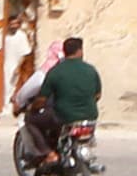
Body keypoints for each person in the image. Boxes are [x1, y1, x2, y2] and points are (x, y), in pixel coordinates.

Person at [26, 37, 101, 166]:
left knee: (31, 121)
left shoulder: (55, 72)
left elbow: (42, 99)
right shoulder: (91, 70)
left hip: (63, 117)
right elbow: (98, 95)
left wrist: (33, 108)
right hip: (90, 117)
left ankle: (50, 154)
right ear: (80, 51)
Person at [2, 16, 35, 115]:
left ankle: (10, 108)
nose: (14, 26)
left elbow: (25, 53)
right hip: (4, 64)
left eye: (16, 24)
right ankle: (4, 107)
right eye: (12, 24)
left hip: (14, 64)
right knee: (4, 86)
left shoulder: (21, 36)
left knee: (11, 87)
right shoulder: (5, 36)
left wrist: (18, 66)